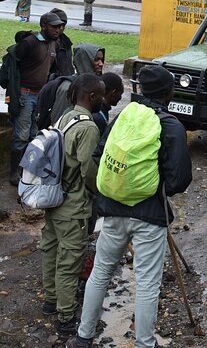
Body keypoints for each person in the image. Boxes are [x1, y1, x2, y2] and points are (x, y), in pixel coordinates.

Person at [66, 65, 192, 348]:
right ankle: (145, 343)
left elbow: (99, 155)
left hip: (113, 208)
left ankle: (83, 337)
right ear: (168, 93)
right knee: (147, 282)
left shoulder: (124, 116)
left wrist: (120, 187)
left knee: (101, 271)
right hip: (150, 215)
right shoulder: (170, 125)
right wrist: (152, 187)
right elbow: (180, 179)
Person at [41, 73, 105, 334]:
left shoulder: (65, 117)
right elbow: (87, 169)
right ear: (92, 97)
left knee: (50, 250)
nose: (103, 100)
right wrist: (98, 192)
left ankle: (50, 301)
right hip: (74, 206)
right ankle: (65, 317)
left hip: (53, 198)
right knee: (69, 262)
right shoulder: (88, 127)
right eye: (101, 95)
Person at [8, 12, 63, 185]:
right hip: (24, 94)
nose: (58, 29)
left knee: (34, 134)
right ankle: (14, 172)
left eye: (60, 26)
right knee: (22, 136)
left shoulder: (55, 43)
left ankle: (27, 170)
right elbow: (12, 62)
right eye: (54, 26)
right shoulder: (30, 43)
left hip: (39, 95)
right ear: (43, 25)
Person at [50, 8, 75, 78]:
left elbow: (68, 64)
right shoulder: (46, 42)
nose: (61, 28)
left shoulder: (66, 42)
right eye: (57, 25)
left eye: (63, 25)